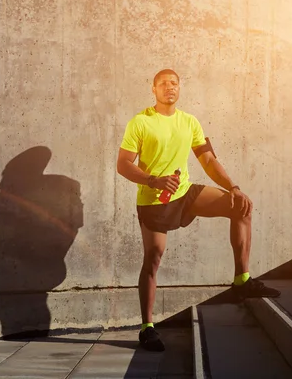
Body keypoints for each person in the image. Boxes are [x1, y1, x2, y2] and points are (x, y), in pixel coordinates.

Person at [116, 69, 281, 352]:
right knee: (153, 259)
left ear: (180, 89)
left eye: (174, 83)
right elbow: (123, 165)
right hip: (154, 200)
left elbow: (207, 160)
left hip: (185, 191)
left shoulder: (189, 121)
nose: (170, 87)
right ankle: (147, 327)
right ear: (153, 89)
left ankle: (242, 279)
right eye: (163, 83)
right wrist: (152, 180)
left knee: (239, 207)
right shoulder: (140, 122)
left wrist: (233, 187)